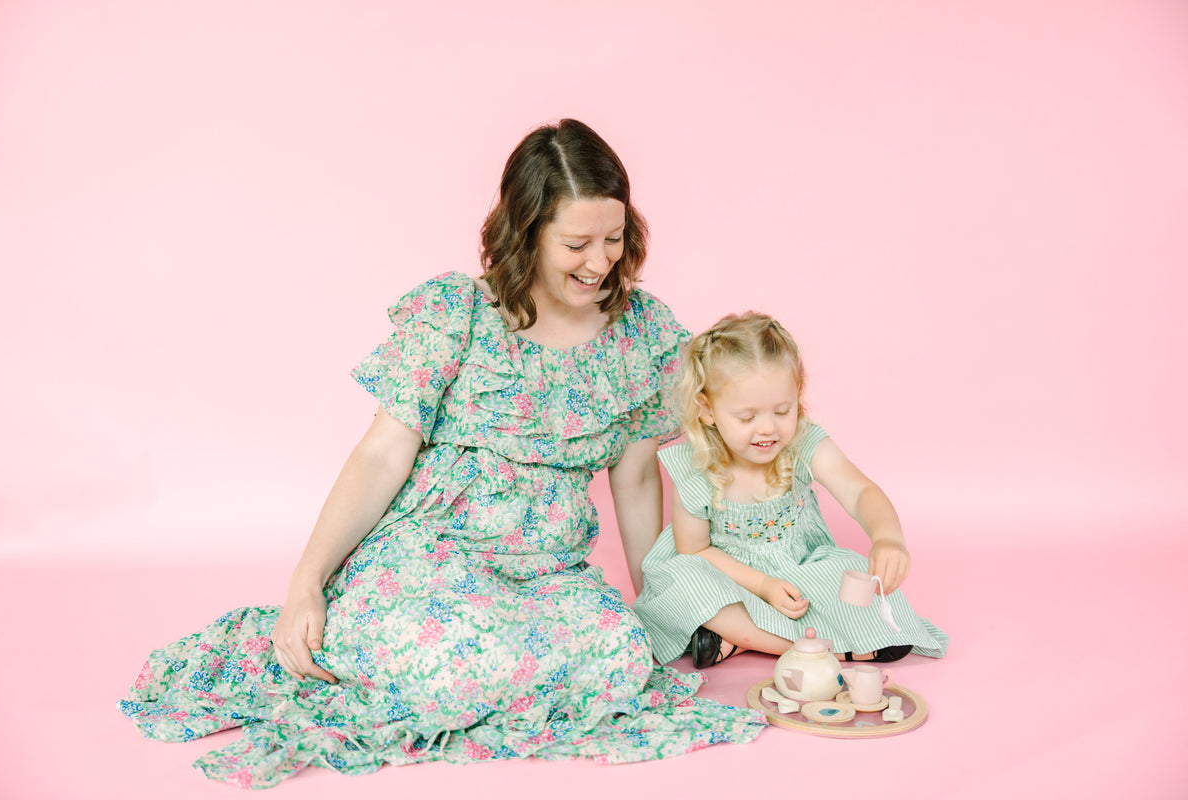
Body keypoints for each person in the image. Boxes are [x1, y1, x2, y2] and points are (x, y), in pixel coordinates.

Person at [116, 120, 765, 788]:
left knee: (620, 660)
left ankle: (500, 655)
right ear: (528, 230)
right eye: (577, 243)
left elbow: (633, 480)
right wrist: (307, 578)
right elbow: (380, 456)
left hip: (546, 568)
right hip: (433, 550)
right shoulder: (458, 313)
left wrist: (656, 601)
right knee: (454, 662)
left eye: (614, 237)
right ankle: (346, 634)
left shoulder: (642, 332)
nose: (599, 262)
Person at [632, 313, 948, 669]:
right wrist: (763, 586)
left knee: (854, 577)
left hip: (800, 569)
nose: (767, 429)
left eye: (782, 411)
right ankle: (812, 647)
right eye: (747, 417)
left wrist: (888, 537)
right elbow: (695, 550)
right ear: (708, 410)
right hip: (726, 576)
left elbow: (859, 491)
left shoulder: (802, 442)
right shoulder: (696, 467)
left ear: (796, 397)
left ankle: (734, 641)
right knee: (684, 581)